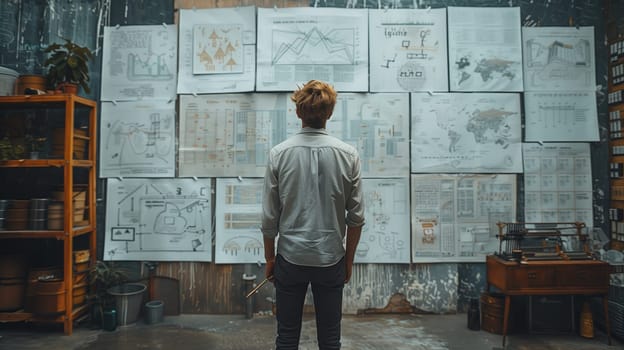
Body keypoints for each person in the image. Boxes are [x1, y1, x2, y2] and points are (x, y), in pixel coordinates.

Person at [261, 79, 365, 350]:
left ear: (298, 113)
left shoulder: (278, 154)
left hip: (290, 257)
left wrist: (270, 258)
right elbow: (356, 218)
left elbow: (269, 218)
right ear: (329, 113)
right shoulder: (348, 155)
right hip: (331, 258)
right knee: (330, 340)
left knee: (286, 338)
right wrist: (348, 260)